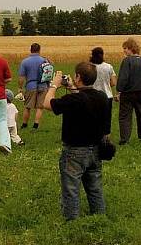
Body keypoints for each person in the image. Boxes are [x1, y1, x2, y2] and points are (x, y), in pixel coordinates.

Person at [43, 63, 110, 221]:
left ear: (78, 77)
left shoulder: (73, 99)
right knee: (95, 188)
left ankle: (72, 221)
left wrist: (54, 84)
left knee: (71, 189)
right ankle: (99, 217)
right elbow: (84, 98)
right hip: (96, 149)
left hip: (74, 151)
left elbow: (46, 104)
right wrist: (72, 86)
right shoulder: (101, 97)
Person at [116, 37, 141, 145]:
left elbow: (123, 78)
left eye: (125, 48)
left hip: (127, 93)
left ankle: (124, 139)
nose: (124, 51)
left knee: (125, 116)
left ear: (131, 48)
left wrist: (119, 91)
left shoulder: (127, 61)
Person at [17, 43, 51, 130]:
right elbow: (49, 73)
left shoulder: (25, 62)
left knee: (28, 106)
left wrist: (20, 88)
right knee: (40, 107)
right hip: (43, 85)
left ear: (30, 50)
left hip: (30, 86)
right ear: (39, 50)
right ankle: (35, 125)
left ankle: (24, 124)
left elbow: (21, 77)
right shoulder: (44, 60)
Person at [90, 47, 116, 136]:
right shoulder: (108, 67)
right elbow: (113, 82)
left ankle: (93, 134)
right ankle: (106, 137)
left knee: (92, 117)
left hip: (91, 96)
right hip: (107, 96)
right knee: (106, 118)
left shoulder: (89, 67)